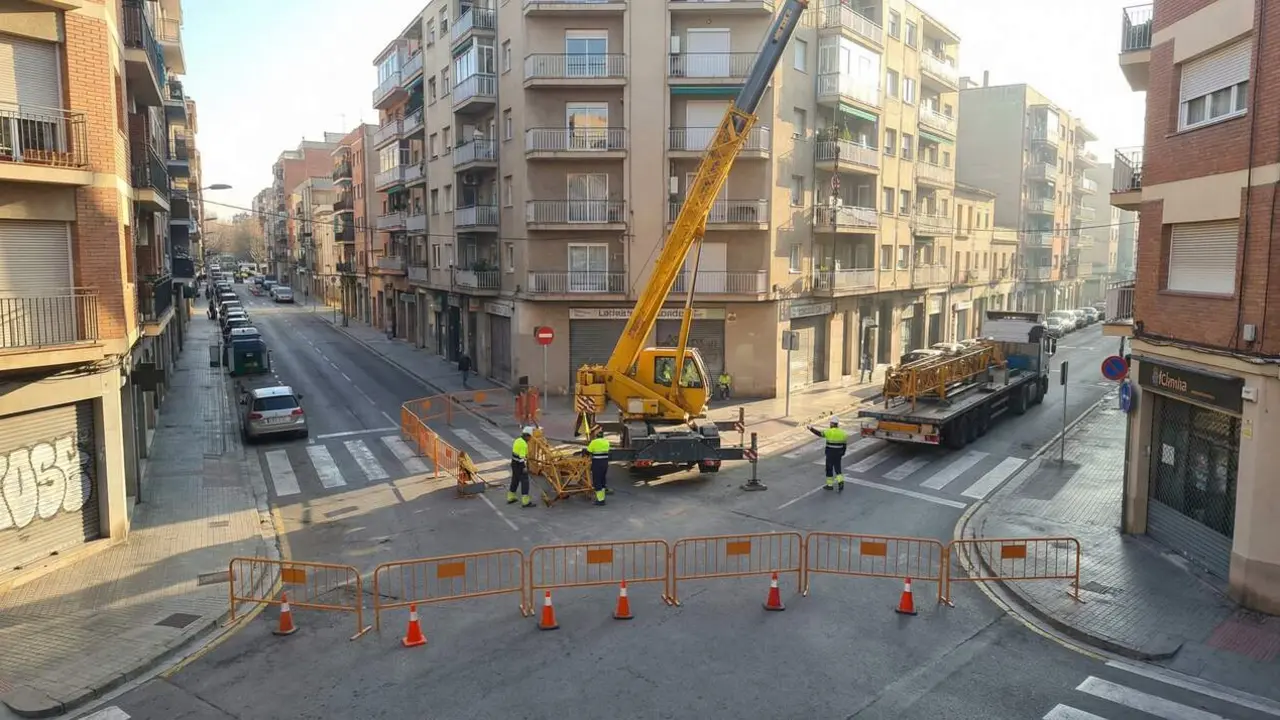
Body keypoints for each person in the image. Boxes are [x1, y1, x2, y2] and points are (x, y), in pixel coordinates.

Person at [807, 417, 848, 492]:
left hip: (830, 453)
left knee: (829, 469)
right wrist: (843, 452)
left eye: (830, 423)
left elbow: (819, 434)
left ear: (832, 424)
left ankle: (830, 485)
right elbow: (844, 445)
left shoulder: (829, 432)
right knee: (838, 468)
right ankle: (841, 483)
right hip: (838, 454)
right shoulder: (842, 433)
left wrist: (811, 428)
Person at [507, 427, 535, 508]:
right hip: (520, 465)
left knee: (515, 480)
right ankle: (525, 502)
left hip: (514, 463)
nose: (530, 439)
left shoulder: (517, 440)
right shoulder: (523, 444)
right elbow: (521, 458)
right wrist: (524, 467)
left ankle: (511, 497)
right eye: (530, 437)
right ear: (527, 436)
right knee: (525, 482)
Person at [585, 431, 611, 507]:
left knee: (597, 481)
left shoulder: (594, 442)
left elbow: (588, 452)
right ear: (603, 436)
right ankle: (602, 498)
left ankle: (600, 500)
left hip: (597, 464)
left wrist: (585, 452)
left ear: (596, 436)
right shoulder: (607, 442)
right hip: (605, 463)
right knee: (602, 480)